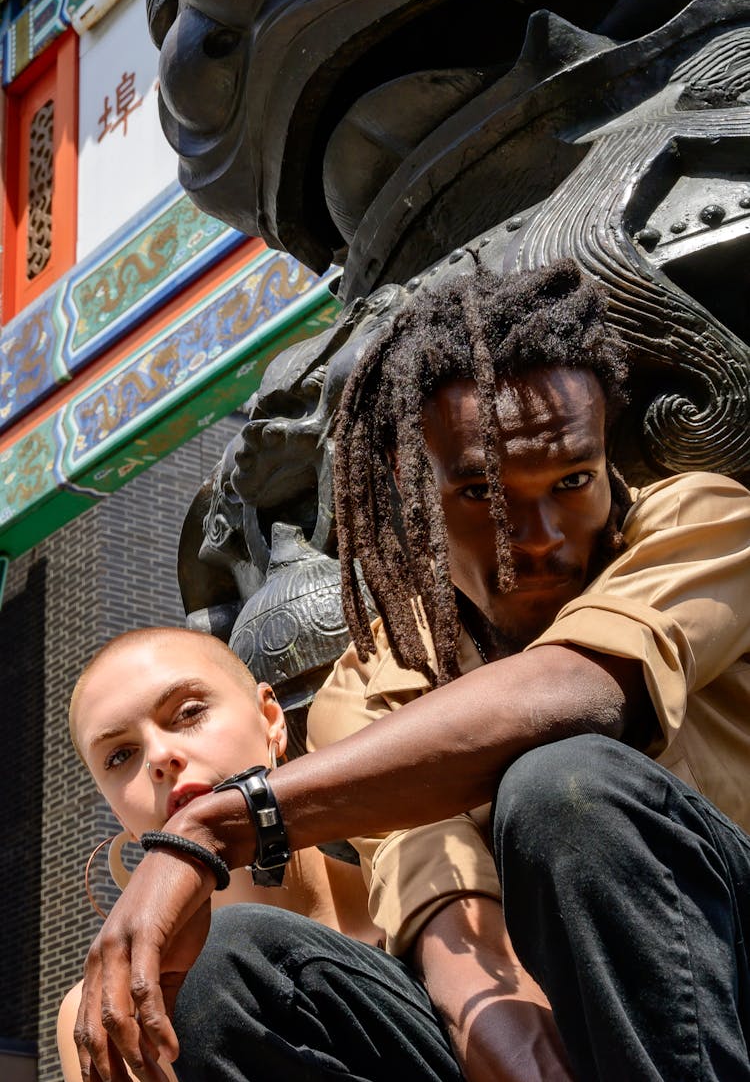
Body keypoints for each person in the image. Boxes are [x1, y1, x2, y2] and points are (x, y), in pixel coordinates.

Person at [73, 260, 750, 1082]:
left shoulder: (703, 520)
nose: (533, 535)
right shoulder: (371, 681)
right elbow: (441, 896)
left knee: (564, 783)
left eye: (572, 480)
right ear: (411, 485)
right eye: (479, 493)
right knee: (237, 968)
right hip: (570, 1033)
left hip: (724, 983)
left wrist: (218, 823)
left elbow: (575, 691)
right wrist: (496, 1027)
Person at [59, 626, 386, 1081]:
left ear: (270, 717)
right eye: (119, 757)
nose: (158, 756)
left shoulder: (414, 896)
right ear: (116, 812)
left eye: (189, 712)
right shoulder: (104, 1015)